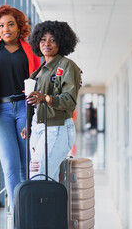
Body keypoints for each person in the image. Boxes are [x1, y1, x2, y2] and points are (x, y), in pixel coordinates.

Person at [0, 4, 40, 208]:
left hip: (24, 109)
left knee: (27, 164)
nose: (6, 29)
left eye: (10, 24)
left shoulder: (30, 50)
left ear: (19, 26)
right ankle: (18, 215)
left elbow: (40, 78)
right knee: (10, 165)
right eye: (1, 25)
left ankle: (31, 210)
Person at [21, 20, 82, 181]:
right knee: (48, 179)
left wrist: (45, 98)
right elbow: (36, 103)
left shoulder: (67, 66)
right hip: (39, 128)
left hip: (57, 128)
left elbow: (69, 100)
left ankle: (39, 207)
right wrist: (30, 123)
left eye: (52, 40)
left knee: (38, 176)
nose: (46, 43)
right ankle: (53, 207)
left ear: (61, 42)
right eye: (43, 39)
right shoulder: (40, 70)